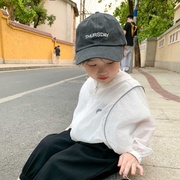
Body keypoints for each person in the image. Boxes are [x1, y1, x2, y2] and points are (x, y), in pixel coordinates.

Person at [18, 12, 155, 180]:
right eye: (92, 64)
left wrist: (134, 153)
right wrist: (72, 132)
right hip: (83, 136)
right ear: (82, 61)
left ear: (121, 53)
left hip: (106, 148)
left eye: (110, 62)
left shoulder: (129, 89)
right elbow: (83, 113)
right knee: (49, 143)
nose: (101, 71)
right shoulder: (90, 83)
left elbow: (145, 126)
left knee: (58, 164)